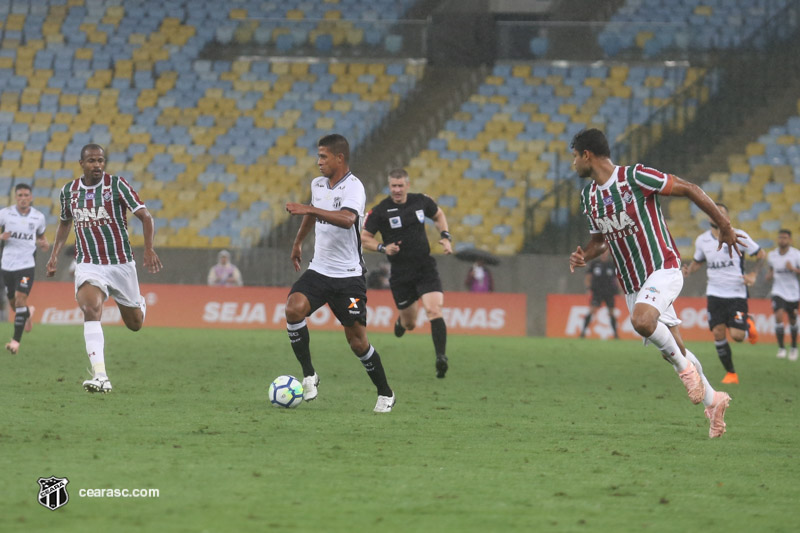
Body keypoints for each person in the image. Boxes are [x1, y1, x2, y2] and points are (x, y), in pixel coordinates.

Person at [568, 128, 738, 438]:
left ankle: (686, 372)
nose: (573, 164)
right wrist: (585, 256)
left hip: (663, 267)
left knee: (643, 321)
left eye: (574, 157)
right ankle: (715, 401)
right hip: (633, 284)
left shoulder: (634, 177)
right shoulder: (589, 196)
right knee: (675, 347)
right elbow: (600, 242)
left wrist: (724, 223)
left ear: (587, 155)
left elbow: (688, 188)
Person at [284, 134, 395, 412]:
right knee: (293, 309)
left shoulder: (354, 188)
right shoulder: (318, 184)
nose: (318, 162)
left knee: (357, 342)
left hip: (348, 277)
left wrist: (309, 208)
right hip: (319, 270)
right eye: (318, 156)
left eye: (323, 156)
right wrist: (298, 243)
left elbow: (347, 220)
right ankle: (309, 375)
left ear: (339, 158)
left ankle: (385, 392)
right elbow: (312, 214)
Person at [45, 144, 162, 393]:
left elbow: (146, 216)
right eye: (91, 161)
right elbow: (65, 223)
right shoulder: (69, 191)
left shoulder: (117, 185)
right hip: (89, 263)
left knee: (135, 324)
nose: (97, 165)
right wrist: (54, 255)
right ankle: (101, 376)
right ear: (82, 163)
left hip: (121, 264)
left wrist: (149, 249)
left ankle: (138, 303)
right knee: (90, 307)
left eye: (100, 160)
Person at [362, 168, 453, 378]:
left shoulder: (421, 201)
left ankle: (441, 357)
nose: (397, 189)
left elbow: (438, 215)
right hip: (401, 273)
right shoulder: (380, 211)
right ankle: (401, 322)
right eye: (393, 186)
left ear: (407, 186)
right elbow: (365, 237)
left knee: (434, 310)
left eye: (400, 185)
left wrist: (446, 236)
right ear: (389, 186)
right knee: (410, 323)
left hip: (425, 267)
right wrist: (383, 248)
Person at [681, 203, 764, 384]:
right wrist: (689, 271)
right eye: (714, 212)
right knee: (718, 333)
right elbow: (698, 262)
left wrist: (753, 273)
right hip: (714, 293)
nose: (717, 215)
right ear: (709, 216)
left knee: (737, 337)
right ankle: (731, 373)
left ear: (727, 217)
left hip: (736, 293)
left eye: (722, 212)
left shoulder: (739, 235)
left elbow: (760, 254)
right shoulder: (702, 240)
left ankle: (747, 323)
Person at [0, 183, 49, 354]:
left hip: (26, 265)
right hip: (7, 266)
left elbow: (41, 237)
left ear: (31, 197)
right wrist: (1, 236)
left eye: (26, 195)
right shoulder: (4, 214)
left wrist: (43, 243)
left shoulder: (38, 217)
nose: (23, 198)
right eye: (20, 195)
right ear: (16, 197)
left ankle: (15, 342)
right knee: (15, 305)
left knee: (20, 299)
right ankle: (27, 313)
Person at [766, 229, 800, 361]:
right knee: (778, 315)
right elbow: (771, 270)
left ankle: (793, 347)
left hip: (792, 292)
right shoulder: (772, 255)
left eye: (785, 238)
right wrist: (769, 275)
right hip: (778, 291)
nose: (782, 240)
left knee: (792, 320)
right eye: (780, 238)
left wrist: (793, 269)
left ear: (790, 240)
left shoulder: (796, 255)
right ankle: (781, 348)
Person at [580, 248, 619, 339]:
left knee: (611, 312)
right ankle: (583, 332)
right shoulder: (595, 264)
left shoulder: (612, 265)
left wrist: (620, 290)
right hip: (597, 292)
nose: (604, 254)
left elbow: (616, 278)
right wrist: (588, 288)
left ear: (608, 253)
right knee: (592, 310)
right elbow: (588, 276)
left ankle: (616, 335)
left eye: (605, 252)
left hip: (609, 292)